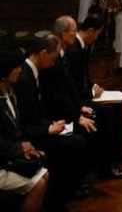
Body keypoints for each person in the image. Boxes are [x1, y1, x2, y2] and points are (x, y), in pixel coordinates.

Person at [43, 16, 122, 180]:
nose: (75, 33)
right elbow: (63, 91)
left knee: (114, 106)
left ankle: (116, 153)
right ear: (63, 34)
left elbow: (74, 83)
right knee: (106, 112)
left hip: (76, 101)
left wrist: (91, 91)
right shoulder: (69, 53)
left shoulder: (70, 51)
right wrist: (79, 110)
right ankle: (106, 164)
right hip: (66, 107)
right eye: (73, 31)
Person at [14, 33, 89, 210]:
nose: (54, 63)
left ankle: (64, 192)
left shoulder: (32, 73)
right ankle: (57, 199)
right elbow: (22, 121)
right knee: (75, 142)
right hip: (28, 136)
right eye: (53, 58)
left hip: (37, 127)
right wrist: (47, 129)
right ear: (43, 53)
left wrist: (51, 125)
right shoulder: (24, 79)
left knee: (76, 135)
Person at [64, 14, 122, 168]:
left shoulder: (80, 48)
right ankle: (108, 161)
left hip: (84, 94)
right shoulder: (73, 51)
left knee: (117, 104)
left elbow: (83, 78)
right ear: (91, 31)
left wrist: (94, 87)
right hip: (79, 100)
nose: (96, 38)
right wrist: (92, 93)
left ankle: (119, 150)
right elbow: (72, 84)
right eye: (97, 34)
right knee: (108, 111)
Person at [0, 50, 49, 212]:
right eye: (16, 67)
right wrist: (19, 149)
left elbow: (15, 128)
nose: (20, 70)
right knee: (39, 183)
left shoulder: (10, 94)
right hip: (2, 161)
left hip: (7, 156)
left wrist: (25, 145)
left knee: (44, 173)